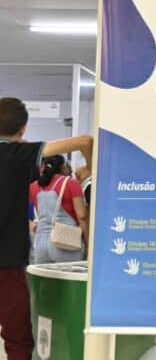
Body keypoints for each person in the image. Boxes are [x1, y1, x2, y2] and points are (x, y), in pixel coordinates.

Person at [0, 97, 93, 359]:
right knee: (17, 337)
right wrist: (88, 170)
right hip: (8, 261)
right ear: (23, 128)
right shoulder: (20, 154)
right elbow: (85, 141)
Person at [30, 155, 88, 263]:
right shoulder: (71, 183)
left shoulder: (34, 186)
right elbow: (82, 217)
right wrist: (88, 244)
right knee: (69, 274)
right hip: (66, 242)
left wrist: (30, 224)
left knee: (44, 275)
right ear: (63, 167)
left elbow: (17, 209)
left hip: (40, 244)